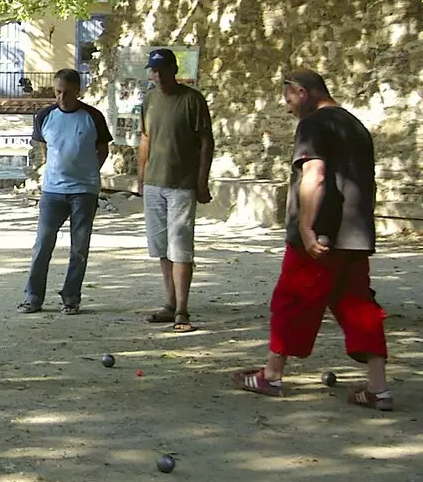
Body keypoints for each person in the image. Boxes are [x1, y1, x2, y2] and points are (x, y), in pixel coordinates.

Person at [233, 71, 392, 410]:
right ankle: (378, 387)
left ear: (302, 92)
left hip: (322, 236)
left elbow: (315, 174)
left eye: (288, 98)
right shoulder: (355, 125)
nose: (287, 107)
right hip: (355, 234)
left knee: (291, 300)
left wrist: (306, 227)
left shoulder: (313, 126)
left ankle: (271, 375)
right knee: (360, 306)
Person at [21, 69, 113, 315]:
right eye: (58, 92)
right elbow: (44, 148)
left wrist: (91, 172)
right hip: (53, 191)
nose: (62, 98)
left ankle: (71, 298)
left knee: (79, 247)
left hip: (84, 191)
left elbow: (102, 148)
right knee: (42, 244)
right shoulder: (45, 116)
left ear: (78, 92)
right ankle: (33, 297)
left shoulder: (93, 117)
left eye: (67, 93)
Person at [137, 47, 214, 332]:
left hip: (182, 184)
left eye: (161, 70)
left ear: (173, 70)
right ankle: (169, 303)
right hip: (155, 183)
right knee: (161, 247)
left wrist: (201, 180)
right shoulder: (149, 100)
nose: (156, 76)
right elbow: (145, 137)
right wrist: (141, 175)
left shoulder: (192, 100)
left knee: (180, 246)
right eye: (153, 71)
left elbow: (206, 141)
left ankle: (183, 308)